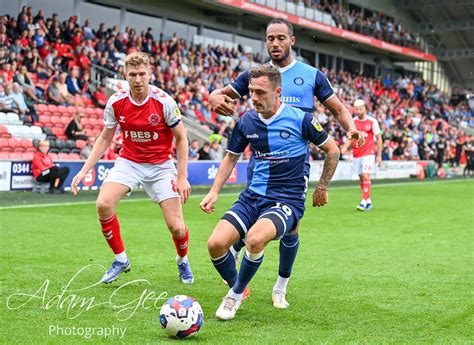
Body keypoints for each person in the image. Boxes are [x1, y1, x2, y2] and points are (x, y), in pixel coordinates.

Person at [208, 17, 364, 308]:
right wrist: (214, 97)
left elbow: (338, 108)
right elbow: (219, 94)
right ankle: (239, 279)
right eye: (270, 38)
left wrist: (351, 127)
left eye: (281, 38)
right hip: (260, 164)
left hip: (295, 169)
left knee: (291, 228)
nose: (275, 43)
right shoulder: (254, 75)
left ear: (292, 41)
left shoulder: (311, 75)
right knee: (254, 223)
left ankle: (280, 286)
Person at [200, 65, 340, 320]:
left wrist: (322, 187)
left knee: (255, 240)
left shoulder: (302, 119)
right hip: (253, 196)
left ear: (278, 92)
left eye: (260, 92)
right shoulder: (246, 122)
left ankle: (233, 296)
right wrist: (214, 192)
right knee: (215, 244)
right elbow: (231, 158)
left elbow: (333, 150)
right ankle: (240, 287)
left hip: (286, 199)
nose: (253, 97)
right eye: (251, 91)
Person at [70, 52, 194, 285]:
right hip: (129, 162)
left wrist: (182, 176)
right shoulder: (116, 102)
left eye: (142, 74)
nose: (138, 79)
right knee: (103, 204)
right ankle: (121, 259)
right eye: (133, 74)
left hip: (160, 166)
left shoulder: (164, 101)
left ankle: (182, 260)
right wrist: (85, 169)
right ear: (125, 75)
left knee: (177, 228)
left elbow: (182, 139)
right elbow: (105, 138)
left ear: (150, 74)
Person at [341, 99, 382, 211]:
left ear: (365, 109)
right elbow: (351, 137)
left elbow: (379, 138)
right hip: (357, 153)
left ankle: (363, 201)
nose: (358, 111)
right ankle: (368, 200)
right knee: (361, 178)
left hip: (369, 152)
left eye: (360, 109)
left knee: (365, 175)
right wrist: (345, 147)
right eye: (356, 109)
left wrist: (379, 156)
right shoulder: (353, 122)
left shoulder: (372, 122)